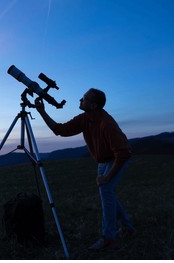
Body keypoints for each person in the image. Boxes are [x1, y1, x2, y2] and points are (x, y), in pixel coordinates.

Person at [34, 88, 135, 250]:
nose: (80, 101)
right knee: (107, 192)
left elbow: (122, 154)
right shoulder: (84, 119)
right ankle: (127, 228)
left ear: (94, 105)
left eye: (84, 99)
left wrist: (108, 177)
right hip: (102, 161)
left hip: (118, 159)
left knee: (106, 188)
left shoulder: (106, 123)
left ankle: (108, 237)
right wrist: (41, 112)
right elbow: (60, 130)